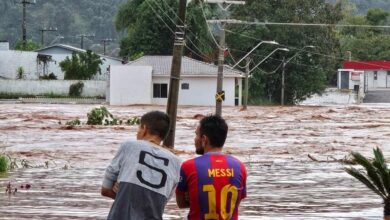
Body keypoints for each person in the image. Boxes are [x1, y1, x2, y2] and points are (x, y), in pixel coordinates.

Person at [101, 111, 181, 220]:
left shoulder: (129, 146)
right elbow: (162, 202)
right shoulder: (176, 162)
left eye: (139, 128)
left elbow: (105, 189)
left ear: (144, 128)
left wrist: (123, 192)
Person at [176, 115, 247, 220]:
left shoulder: (189, 166)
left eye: (196, 135)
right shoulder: (240, 166)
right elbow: (235, 202)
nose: (194, 139)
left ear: (204, 139)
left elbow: (181, 203)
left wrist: (194, 196)